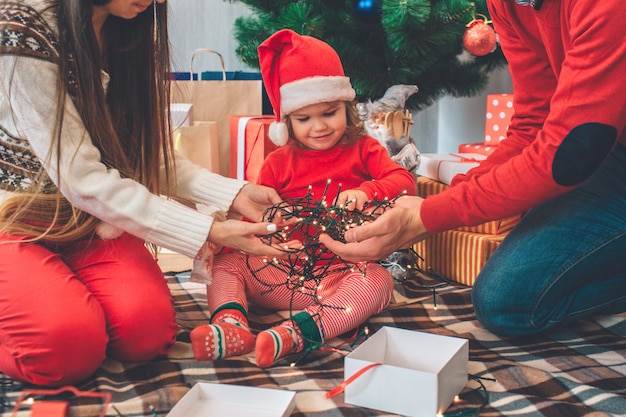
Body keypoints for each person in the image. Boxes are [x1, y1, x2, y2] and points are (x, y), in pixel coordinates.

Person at [0, 0, 294, 387]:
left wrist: (232, 192)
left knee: (147, 335)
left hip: (93, 224)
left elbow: (140, 150)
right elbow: (82, 177)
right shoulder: (23, 29)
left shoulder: (124, 28)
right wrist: (206, 230)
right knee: (65, 352)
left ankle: (54, 295)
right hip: (19, 221)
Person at [321, 0, 626, 337]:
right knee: (504, 298)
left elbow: (569, 156)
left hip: (593, 150)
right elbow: (533, 123)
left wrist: (428, 216)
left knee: (509, 306)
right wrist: (453, 194)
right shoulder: (508, 4)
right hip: (609, 152)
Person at [189, 29, 416, 368]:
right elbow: (256, 218)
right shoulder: (278, 162)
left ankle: (296, 334)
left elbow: (404, 181)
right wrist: (267, 227)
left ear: (346, 108)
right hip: (280, 271)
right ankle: (230, 324)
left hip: (340, 274)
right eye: (304, 118)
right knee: (225, 263)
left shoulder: (363, 149)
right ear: (286, 122)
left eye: (329, 113)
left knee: (378, 282)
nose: (319, 126)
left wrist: (365, 191)